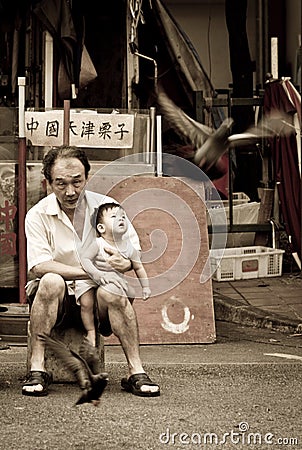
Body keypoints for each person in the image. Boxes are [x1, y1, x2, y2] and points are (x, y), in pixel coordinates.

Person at [22, 145, 160, 397]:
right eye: (61, 183)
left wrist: (123, 263)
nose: (70, 191)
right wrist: (91, 272)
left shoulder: (108, 209)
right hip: (58, 298)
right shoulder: (37, 215)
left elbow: (131, 254)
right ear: (48, 183)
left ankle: (135, 371)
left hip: (97, 300)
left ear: (87, 176)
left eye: (77, 181)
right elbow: (39, 265)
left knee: (114, 290)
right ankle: (37, 368)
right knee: (51, 280)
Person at [77, 201, 151, 350]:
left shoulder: (129, 246)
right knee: (86, 303)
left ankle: (109, 322)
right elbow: (84, 259)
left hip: (114, 281)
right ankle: (91, 331)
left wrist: (146, 287)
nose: (121, 219)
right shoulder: (98, 243)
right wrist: (96, 274)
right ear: (101, 228)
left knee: (130, 292)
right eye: (114, 217)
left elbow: (138, 267)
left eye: (123, 216)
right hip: (91, 279)